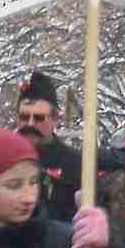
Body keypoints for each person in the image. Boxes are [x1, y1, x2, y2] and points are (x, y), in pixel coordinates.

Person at [13, 71, 80, 222]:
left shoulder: (75, 164)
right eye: (24, 117)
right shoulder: (2, 160)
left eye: (38, 118)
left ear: (55, 120)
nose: (30, 124)